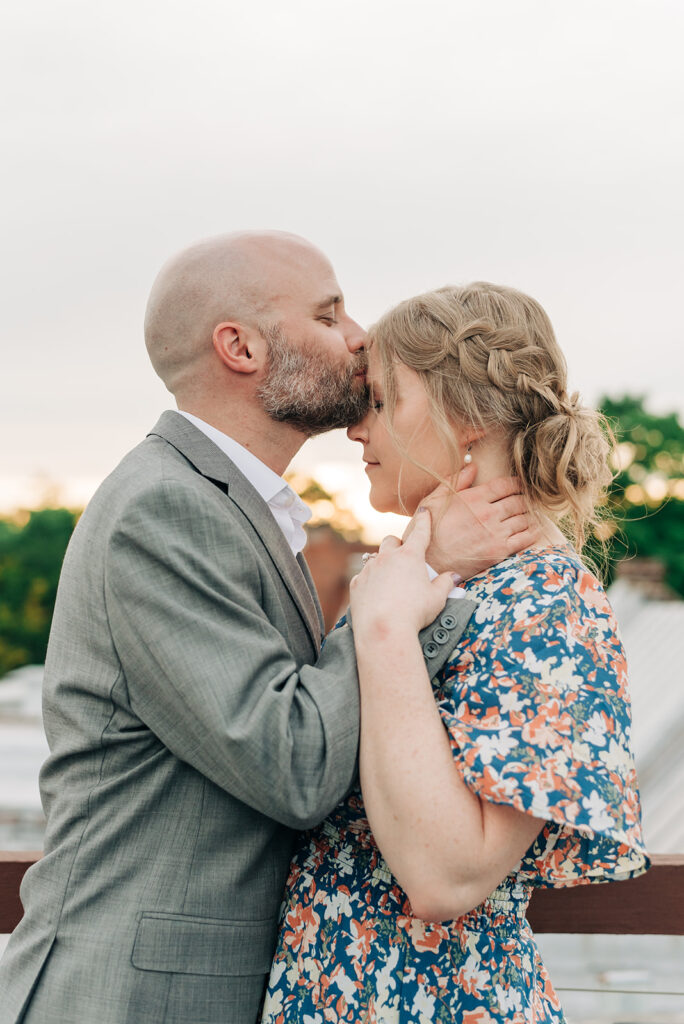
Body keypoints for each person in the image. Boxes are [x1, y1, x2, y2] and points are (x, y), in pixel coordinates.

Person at [0, 236, 536, 1024]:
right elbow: (294, 762)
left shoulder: (231, 505)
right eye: (329, 314)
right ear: (241, 347)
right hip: (132, 991)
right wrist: (412, 577)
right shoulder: (162, 509)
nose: (360, 337)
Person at [261, 282, 650, 1023]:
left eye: (381, 401)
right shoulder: (416, 574)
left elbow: (446, 878)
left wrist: (380, 627)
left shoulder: (548, 601)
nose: (357, 430)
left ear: (465, 416)